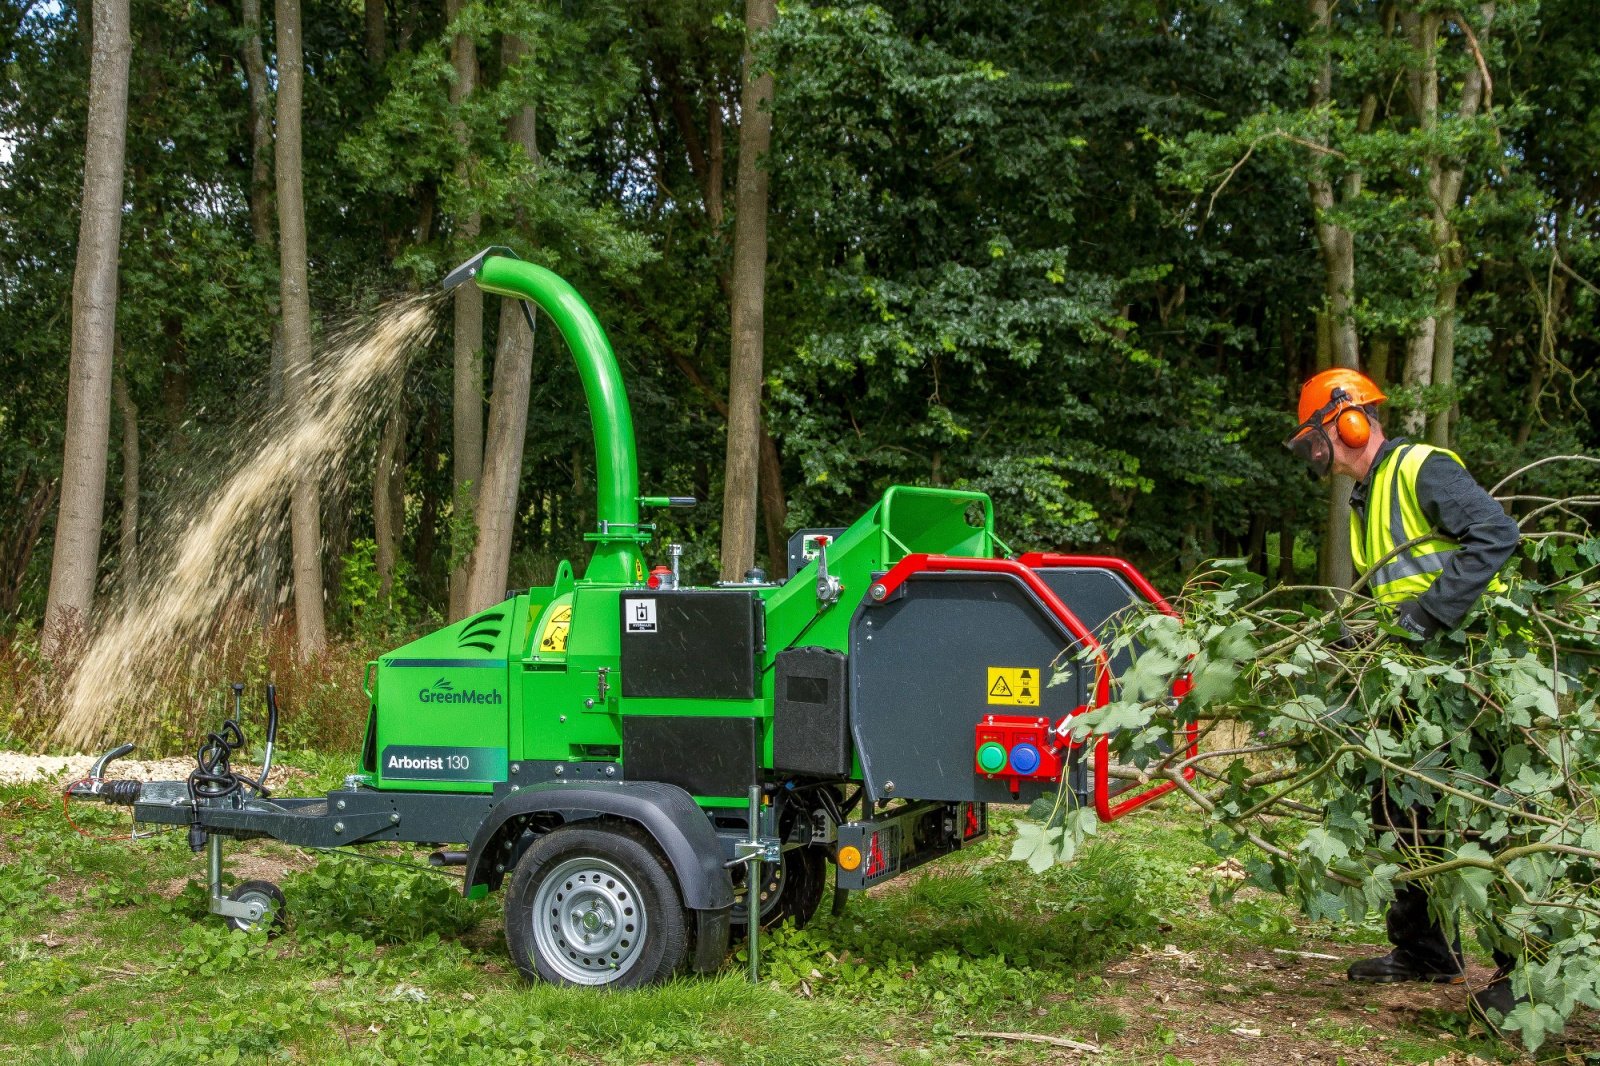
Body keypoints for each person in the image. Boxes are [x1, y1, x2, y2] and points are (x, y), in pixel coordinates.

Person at [1284, 368, 1524, 1022]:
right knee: (1401, 802)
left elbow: (1496, 536)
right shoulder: (1367, 499)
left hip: (1474, 667)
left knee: (1488, 816)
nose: (1316, 454)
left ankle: (1527, 971)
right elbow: (1398, 589)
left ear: (1349, 420)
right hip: (1418, 672)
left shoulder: (1420, 468)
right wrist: (1356, 642)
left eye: (1318, 438)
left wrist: (1431, 615)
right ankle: (1424, 949)